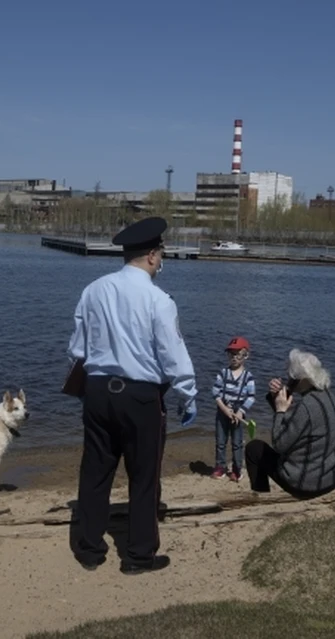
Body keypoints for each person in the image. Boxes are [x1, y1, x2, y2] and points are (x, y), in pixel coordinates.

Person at [67, 216, 198, 575]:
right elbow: (173, 356)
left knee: (95, 472)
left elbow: (77, 350)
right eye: (162, 255)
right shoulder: (159, 300)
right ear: (153, 256)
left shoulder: (93, 290)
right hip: (140, 396)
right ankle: (139, 556)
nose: (162, 261)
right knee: (143, 478)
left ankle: (89, 549)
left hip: (96, 391)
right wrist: (188, 395)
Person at [244, 348, 335, 498]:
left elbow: (279, 443)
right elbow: (295, 426)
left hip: (305, 484)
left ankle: (262, 496)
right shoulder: (328, 396)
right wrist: (275, 397)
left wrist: (279, 411)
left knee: (254, 449)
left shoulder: (307, 406)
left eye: (291, 376)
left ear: (302, 379)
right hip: (331, 477)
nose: (288, 379)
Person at [211, 336, 256, 482]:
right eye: (231, 354)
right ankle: (220, 467)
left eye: (237, 354)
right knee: (220, 441)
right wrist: (224, 409)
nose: (234, 357)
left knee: (237, 443)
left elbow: (251, 397)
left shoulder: (248, 377)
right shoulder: (223, 373)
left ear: (246, 356)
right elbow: (215, 393)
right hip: (223, 411)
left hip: (238, 413)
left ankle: (237, 469)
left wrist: (240, 411)